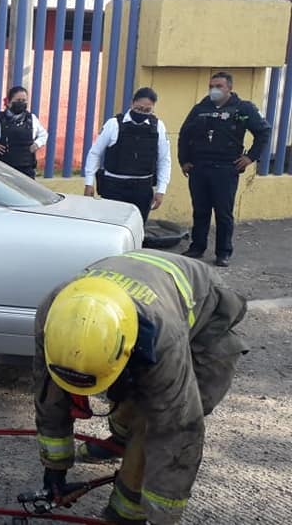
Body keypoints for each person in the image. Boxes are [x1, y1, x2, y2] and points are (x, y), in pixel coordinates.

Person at [32, 249, 247, 525]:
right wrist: (54, 468)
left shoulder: (163, 337)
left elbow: (176, 430)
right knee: (126, 390)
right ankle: (120, 441)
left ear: (128, 348)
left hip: (206, 314)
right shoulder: (54, 312)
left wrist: (162, 514)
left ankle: (127, 512)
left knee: (153, 420)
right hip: (144, 289)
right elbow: (49, 394)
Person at [179, 72, 271, 267]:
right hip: (199, 167)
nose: (214, 89)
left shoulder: (243, 109)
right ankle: (197, 247)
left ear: (229, 87)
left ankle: (223, 252)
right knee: (200, 210)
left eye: (219, 86)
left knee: (223, 212)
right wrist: (184, 160)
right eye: (211, 85)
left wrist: (250, 157)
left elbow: (263, 132)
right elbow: (184, 134)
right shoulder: (200, 108)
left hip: (225, 168)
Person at [84, 87, 171, 223]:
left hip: (142, 188)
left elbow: (164, 160)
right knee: (110, 227)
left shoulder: (158, 127)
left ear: (153, 108)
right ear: (132, 104)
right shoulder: (113, 124)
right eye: (139, 108)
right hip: (114, 187)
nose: (142, 113)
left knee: (137, 230)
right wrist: (89, 182)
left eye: (147, 110)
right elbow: (94, 153)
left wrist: (161, 190)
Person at [0, 86, 49, 178]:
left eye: (24, 100)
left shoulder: (32, 119)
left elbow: (43, 135)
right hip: (1, 169)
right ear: (9, 102)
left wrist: (37, 144)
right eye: (18, 100)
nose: (21, 103)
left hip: (26, 169)